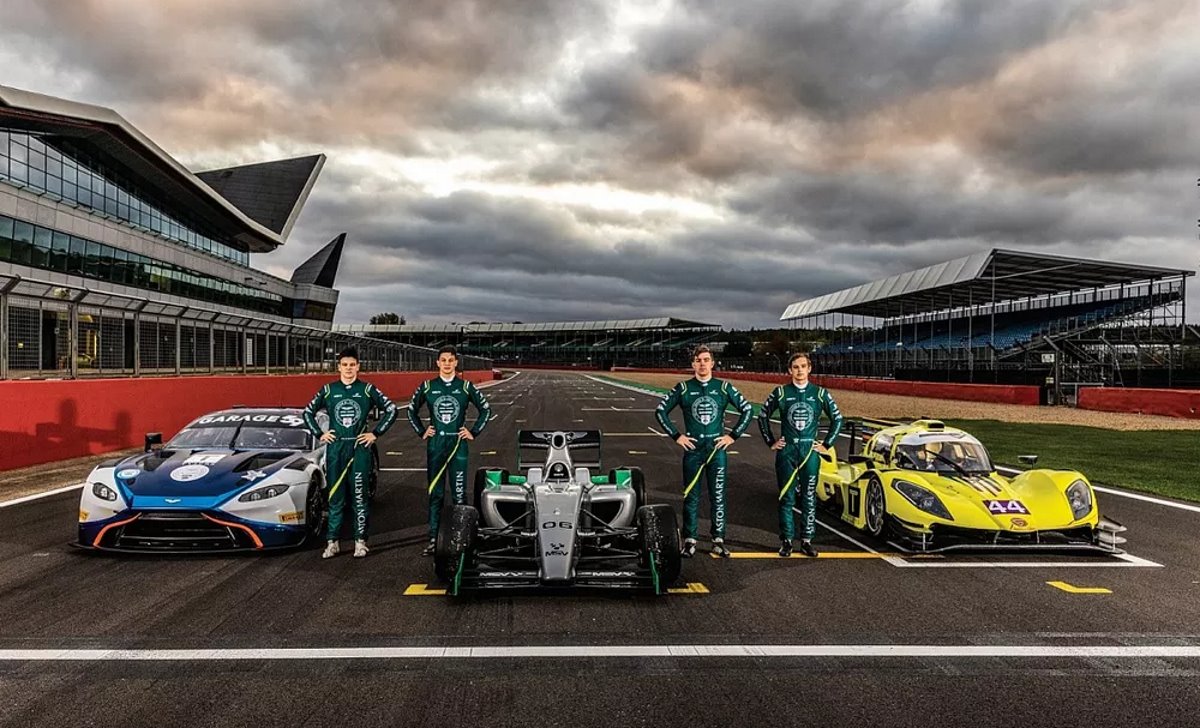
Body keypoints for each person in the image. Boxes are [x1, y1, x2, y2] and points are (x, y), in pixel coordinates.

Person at [654, 345, 753, 558]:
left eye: (706, 360)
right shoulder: (683, 388)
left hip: (716, 449)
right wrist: (677, 436)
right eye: (698, 360)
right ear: (693, 364)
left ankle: (718, 540)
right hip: (693, 450)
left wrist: (732, 436)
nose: (702, 363)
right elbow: (660, 411)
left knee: (718, 496)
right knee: (691, 496)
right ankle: (690, 539)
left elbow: (748, 409)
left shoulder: (724, 387)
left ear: (712, 363)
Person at [302, 346, 398, 559]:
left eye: (352, 365)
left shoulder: (366, 389)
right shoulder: (329, 390)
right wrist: (320, 433)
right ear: (339, 367)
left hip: (359, 448)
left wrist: (376, 433)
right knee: (335, 497)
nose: (348, 369)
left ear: (358, 367)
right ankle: (332, 542)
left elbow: (391, 409)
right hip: (336, 449)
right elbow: (308, 412)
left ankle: (360, 542)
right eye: (344, 365)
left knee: (359, 497)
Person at [758, 352, 843, 557]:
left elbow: (837, 419)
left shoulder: (820, 393)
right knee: (786, 498)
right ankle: (786, 540)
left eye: (803, 366)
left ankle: (806, 540)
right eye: (795, 367)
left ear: (809, 368)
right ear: (789, 370)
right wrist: (771, 441)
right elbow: (762, 416)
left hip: (809, 453)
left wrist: (826, 444)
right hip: (787, 451)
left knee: (808, 498)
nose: (799, 370)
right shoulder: (780, 392)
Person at [408, 345, 491, 555]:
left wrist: (473, 431)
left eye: (450, 360)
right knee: (435, 494)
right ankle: (434, 539)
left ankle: (460, 540)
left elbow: (486, 410)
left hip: (457, 445)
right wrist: (422, 431)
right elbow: (411, 411)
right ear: (437, 363)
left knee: (459, 495)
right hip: (435, 445)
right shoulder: (428, 386)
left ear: (456, 363)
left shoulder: (465, 387)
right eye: (443, 360)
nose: (446, 364)